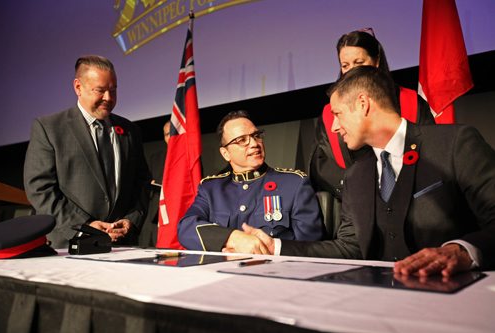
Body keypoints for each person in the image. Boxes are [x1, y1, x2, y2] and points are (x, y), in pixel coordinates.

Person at [241, 66, 495, 276]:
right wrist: (274, 246)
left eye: (338, 115)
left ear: (363, 104)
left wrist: (462, 250)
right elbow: (349, 249)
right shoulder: (356, 175)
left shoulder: (455, 144)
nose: (335, 127)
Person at [309, 30, 435, 236]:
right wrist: (361, 189)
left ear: (376, 62)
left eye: (359, 63)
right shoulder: (331, 114)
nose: (350, 71)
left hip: (412, 201)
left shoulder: (410, 101)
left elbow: (430, 149)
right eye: (345, 65)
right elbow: (324, 166)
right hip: (358, 208)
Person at [24, 55, 151, 248]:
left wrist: (131, 220)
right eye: (100, 90)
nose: (108, 98)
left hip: (121, 246)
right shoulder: (49, 128)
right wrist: (83, 226)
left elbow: (141, 182)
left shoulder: (130, 131)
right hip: (68, 246)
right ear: (78, 87)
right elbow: (40, 188)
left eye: (113, 90)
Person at [177, 110, 325, 252]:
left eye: (256, 135)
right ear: (225, 153)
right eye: (242, 140)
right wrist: (232, 238)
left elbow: (310, 246)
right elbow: (186, 227)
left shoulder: (294, 183)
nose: (254, 143)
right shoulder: (211, 189)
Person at [138, 120, 170, 247]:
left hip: (175, 212)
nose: (170, 137)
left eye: (173, 133)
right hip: (154, 211)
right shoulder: (155, 157)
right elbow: (147, 182)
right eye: (167, 134)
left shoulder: (190, 156)